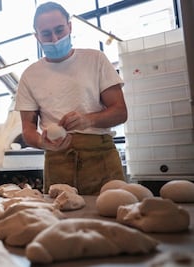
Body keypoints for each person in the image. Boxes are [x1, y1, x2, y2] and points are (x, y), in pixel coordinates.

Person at [14, 2, 127, 195]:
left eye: (59, 30)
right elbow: (28, 130)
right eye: (47, 34)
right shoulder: (30, 75)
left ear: (70, 26)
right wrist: (42, 143)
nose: (55, 39)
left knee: (112, 216)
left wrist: (88, 120)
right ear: (37, 36)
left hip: (101, 159)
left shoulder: (95, 60)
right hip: (58, 162)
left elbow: (120, 112)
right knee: (61, 222)